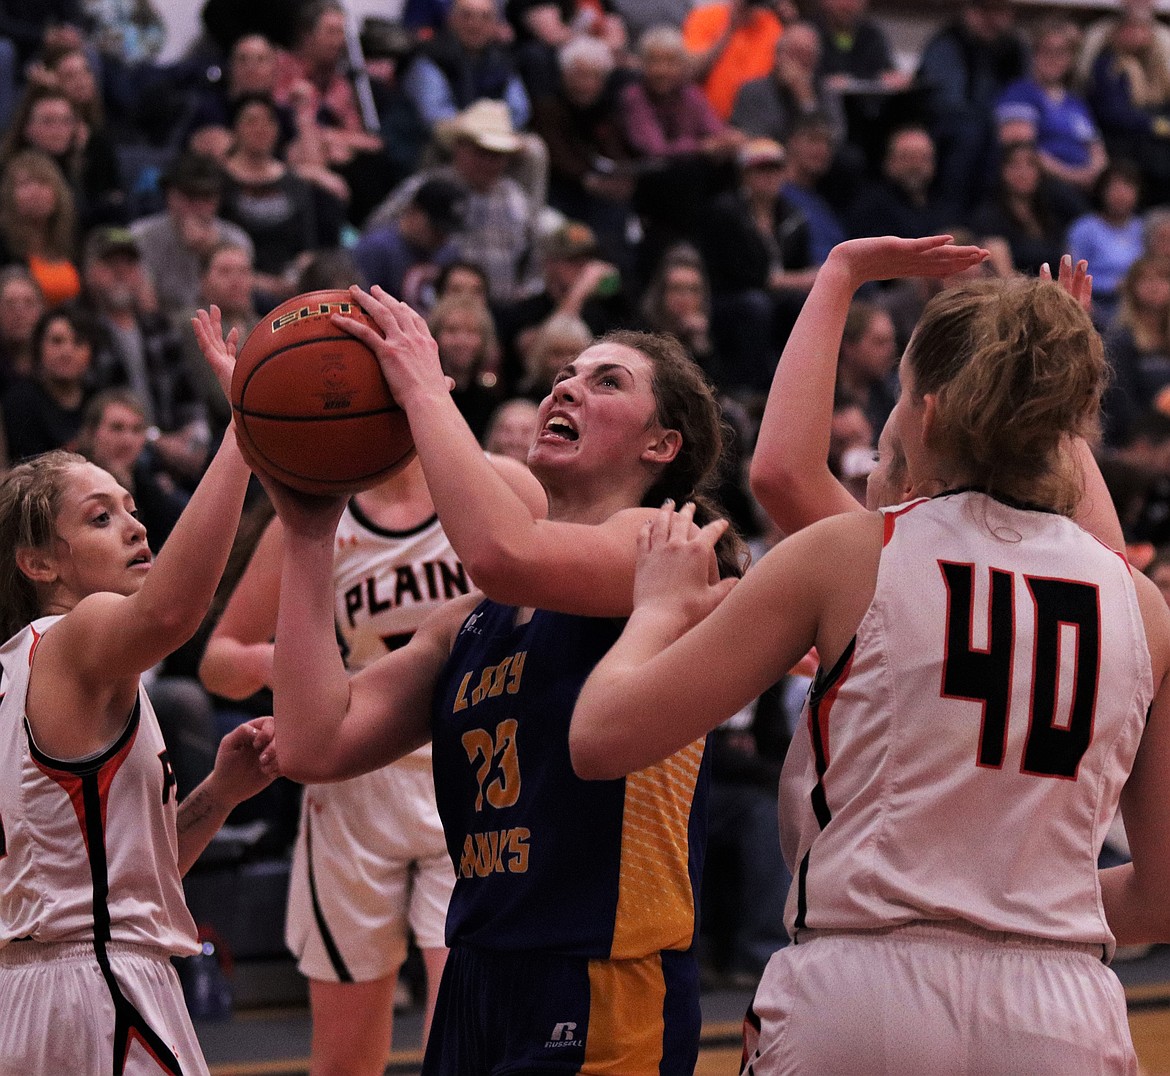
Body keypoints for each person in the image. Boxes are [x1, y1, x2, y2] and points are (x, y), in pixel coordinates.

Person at [568, 236, 1167, 1073]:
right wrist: (1015, 907)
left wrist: (657, 611)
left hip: (864, 987)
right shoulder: (1141, 605)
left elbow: (599, 739)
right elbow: (1162, 894)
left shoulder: (855, 553)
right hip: (1062, 1006)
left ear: (925, 416)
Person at [259, 283, 744, 1073]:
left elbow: (502, 551)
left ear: (662, 445)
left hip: (601, 974)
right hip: (480, 971)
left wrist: (420, 385)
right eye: (566, 374)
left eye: (606, 381)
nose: (567, 385)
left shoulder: (665, 550)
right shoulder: (470, 620)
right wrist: (310, 532)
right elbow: (316, 742)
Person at [201, 447, 543, 1076]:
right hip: (355, 775)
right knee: (346, 1055)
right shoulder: (313, 515)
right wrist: (303, 671)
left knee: (466, 1034)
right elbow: (219, 659)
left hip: (476, 777)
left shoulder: (499, 483)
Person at [0, 306, 278, 1075]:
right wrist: (244, 433)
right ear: (38, 564)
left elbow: (116, 885)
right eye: (99, 518)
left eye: (129, 507)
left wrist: (219, 794)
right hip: (95, 991)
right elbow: (174, 611)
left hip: (35, 990)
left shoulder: (20, 670)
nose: (135, 526)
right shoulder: (78, 635)